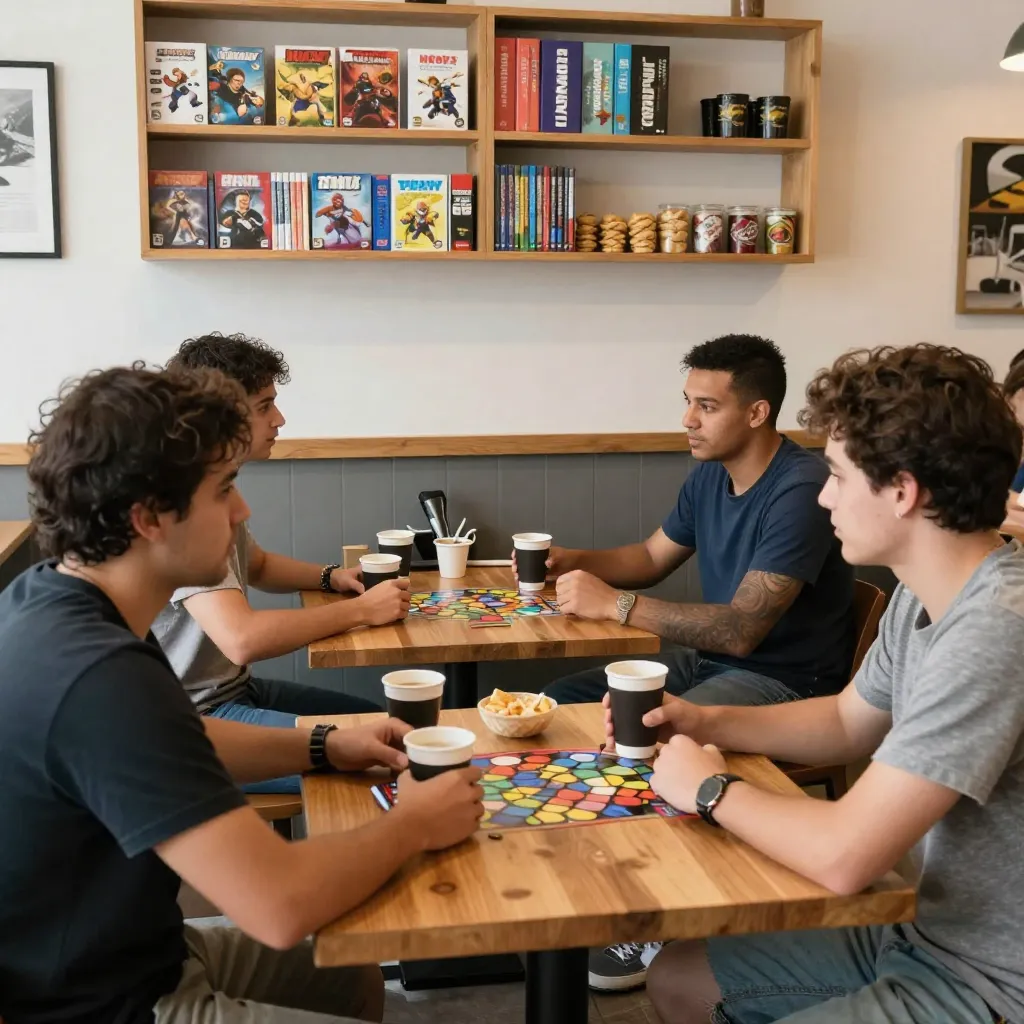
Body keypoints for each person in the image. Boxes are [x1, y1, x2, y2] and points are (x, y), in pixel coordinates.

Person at [0, 364, 484, 1024]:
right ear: (147, 518)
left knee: (347, 974)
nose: (242, 509)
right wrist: (415, 822)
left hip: (146, 950)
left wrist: (324, 743)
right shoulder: (99, 677)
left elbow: (179, 740)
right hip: (102, 1003)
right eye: (223, 489)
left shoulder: (61, 599)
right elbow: (278, 904)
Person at [624, 344, 1024, 1024]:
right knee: (679, 977)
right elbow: (847, 722)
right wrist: (698, 720)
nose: (822, 494)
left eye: (837, 475)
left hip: (989, 980)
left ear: (902, 491)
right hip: (918, 930)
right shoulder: (926, 590)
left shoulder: (996, 625)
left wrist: (708, 788)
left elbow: (844, 857)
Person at [538, 334, 855, 992]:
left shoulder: (801, 488)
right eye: (688, 402)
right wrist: (576, 560)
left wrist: (614, 606)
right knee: (562, 703)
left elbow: (742, 629)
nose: (687, 419)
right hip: (704, 665)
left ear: (757, 413)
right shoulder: (710, 473)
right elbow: (652, 558)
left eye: (705, 406)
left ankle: (656, 920)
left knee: (656, 735)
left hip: (789, 683)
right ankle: (591, 888)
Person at [153, 333, 407, 794]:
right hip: (199, 721)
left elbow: (259, 565)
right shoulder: (182, 500)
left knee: (390, 726)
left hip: (236, 694)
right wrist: (362, 611)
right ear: (219, 418)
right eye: (265, 405)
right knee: (389, 763)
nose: (280, 419)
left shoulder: (215, 482)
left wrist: (332, 577)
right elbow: (242, 640)